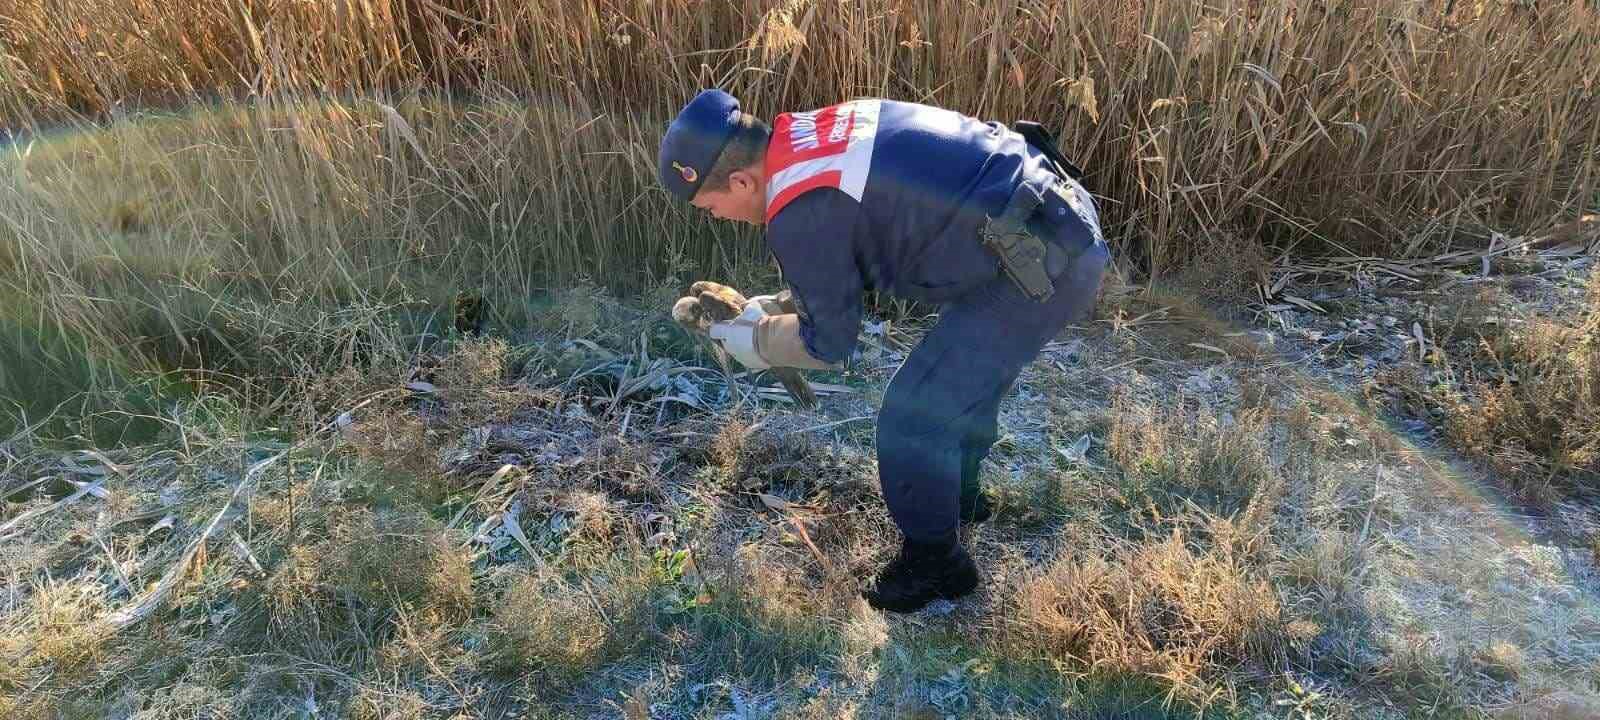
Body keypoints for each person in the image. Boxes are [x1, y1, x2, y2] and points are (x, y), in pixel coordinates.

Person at [657, 89, 1109, 613]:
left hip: (1039, 261)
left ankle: (936, 565)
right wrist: (778, 307)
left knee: (912, 418)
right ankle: (960, 499)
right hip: (1048, 213)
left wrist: (755, 342)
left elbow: (829, 343)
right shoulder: (806, 137)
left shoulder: (796, 210)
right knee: (962, 383)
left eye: (710, 207)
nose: (716, 217)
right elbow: (849, 248)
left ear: (741, 181)